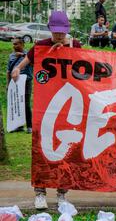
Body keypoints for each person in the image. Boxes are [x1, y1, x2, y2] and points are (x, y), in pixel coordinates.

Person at [11, 11, 80, 209]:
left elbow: (91, 65)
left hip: (69, 110)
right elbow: (27, 60)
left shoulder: (75, 46)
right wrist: (17, 69)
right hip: (45, 108)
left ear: (67, 30)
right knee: (41, 149)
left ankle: (62, 193)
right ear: (50, 29)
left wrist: (66, 49)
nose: (59, 36)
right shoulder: (41, 47)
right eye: (56, 32)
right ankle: (40, 192)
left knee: (65, 151)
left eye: (62, 32)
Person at [7, 37, 33, 133]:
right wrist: (8, 84)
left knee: (26, 104)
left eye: (16, 44)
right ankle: (19, 126)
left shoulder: (28, 55)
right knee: (17, 103)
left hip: (26, 81)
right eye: (13, 44)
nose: (14, 46)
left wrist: (22, 55)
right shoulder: (11, 56)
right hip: (15, 83)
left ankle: (30, 126)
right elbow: (8, 71)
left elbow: (34, 63)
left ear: (22, 44)